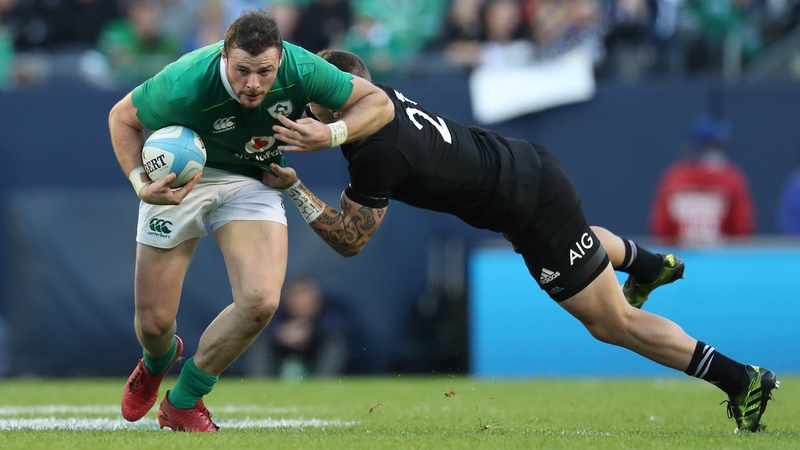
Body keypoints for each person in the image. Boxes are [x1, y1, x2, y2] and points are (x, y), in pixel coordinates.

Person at [264, 49, 779, 433]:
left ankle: (741, 379)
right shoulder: (379, 103)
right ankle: (644, 263)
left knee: (610, 322)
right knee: (576, 248)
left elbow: (351, 241)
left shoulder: (376, 151)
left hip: (529, 203)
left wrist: (296, 190)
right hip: (529, 170)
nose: (311, 106)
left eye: (322, 97)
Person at [108, 12, 393, 432]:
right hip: (182, 178)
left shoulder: (304, 68)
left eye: (265, 72)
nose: (254, 84)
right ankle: (156, 361)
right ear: (224, 57)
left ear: (280, 58)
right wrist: (138, 182)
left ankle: (184, 399)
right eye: (242, 71)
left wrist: (332, 135)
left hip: (253, 178)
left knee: (261, 301)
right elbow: (122, 118)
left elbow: (380, 103)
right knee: (153, 324)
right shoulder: (185, 81)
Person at [649, 114, 756, 246]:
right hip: (706, 258)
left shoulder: (674, 176)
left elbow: (741, 228)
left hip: (715, 258)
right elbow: (661, 227)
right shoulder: (730, 177)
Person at [260, 275, 350, 379]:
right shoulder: (276, 312)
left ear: (317, 299)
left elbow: (338, 326)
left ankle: (322, 387)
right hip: (279, 357)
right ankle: (261, 386)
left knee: (335, 342)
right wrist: (280, 332)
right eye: (296, 293)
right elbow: (261, 326)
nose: (301, 300)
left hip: (316, 357)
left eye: (305, 292)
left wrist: (310, 331)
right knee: (260, 341)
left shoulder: (330, 311)